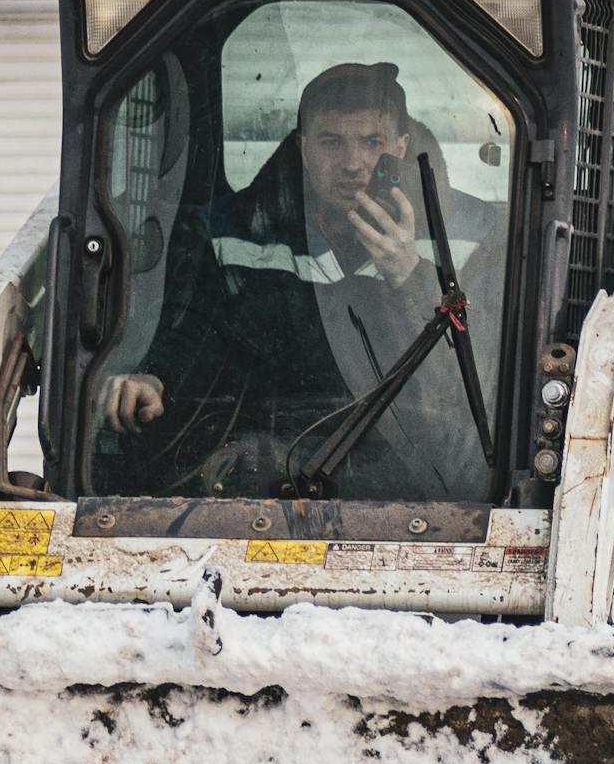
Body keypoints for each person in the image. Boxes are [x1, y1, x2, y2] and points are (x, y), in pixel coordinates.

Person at [99, 62, 504, 502]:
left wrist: (409, 276)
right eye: (332, 142)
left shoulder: (471, 234)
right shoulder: (233, 232)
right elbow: (195, 327)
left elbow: (477, 380)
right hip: (270, 475)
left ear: (402, 148)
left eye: (373, 142)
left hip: (417, 480)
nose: (353, 164)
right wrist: (156, 377)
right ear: (303, 147)